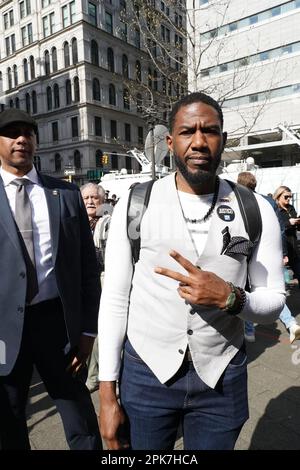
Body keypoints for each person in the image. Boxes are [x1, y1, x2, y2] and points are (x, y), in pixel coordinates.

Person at [98, 92, 285, 450]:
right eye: (187, 132)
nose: (198, 142)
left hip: (222, 374)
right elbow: (116, 299)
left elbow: (275, 299)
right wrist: (107, 394)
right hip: (146, 371)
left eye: (209, 131)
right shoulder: (136, 204)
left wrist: (231, 297)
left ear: (223, 140)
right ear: (171, 142)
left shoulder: (254, 208)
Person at [0, 109, 102, 450]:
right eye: (11, 132)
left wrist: (88, 331)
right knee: (9, 419)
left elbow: (88, 270)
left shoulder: (65, 195)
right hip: (3, 331)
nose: (21, 139)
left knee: (80, 417)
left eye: (28, 132)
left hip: (57, 325)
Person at [237, 173, 300, 344]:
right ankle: (291, 322)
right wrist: (283, 253)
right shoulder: (268, 202)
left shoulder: (237, 200)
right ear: (254, 184)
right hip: (267, 252)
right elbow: (278, 229)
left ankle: (249, 331)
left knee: (247, 291)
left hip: (244, 250)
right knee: (271, 291)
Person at [80, 182, 111, 393]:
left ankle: (97, 377)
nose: (91, 201)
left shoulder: (109, 222)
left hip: (103, 279)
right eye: (86, 198)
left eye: (95, 198)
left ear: (102, 201)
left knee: (100, 331)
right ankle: (90, 373)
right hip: (82, 281)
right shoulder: (78, 221)